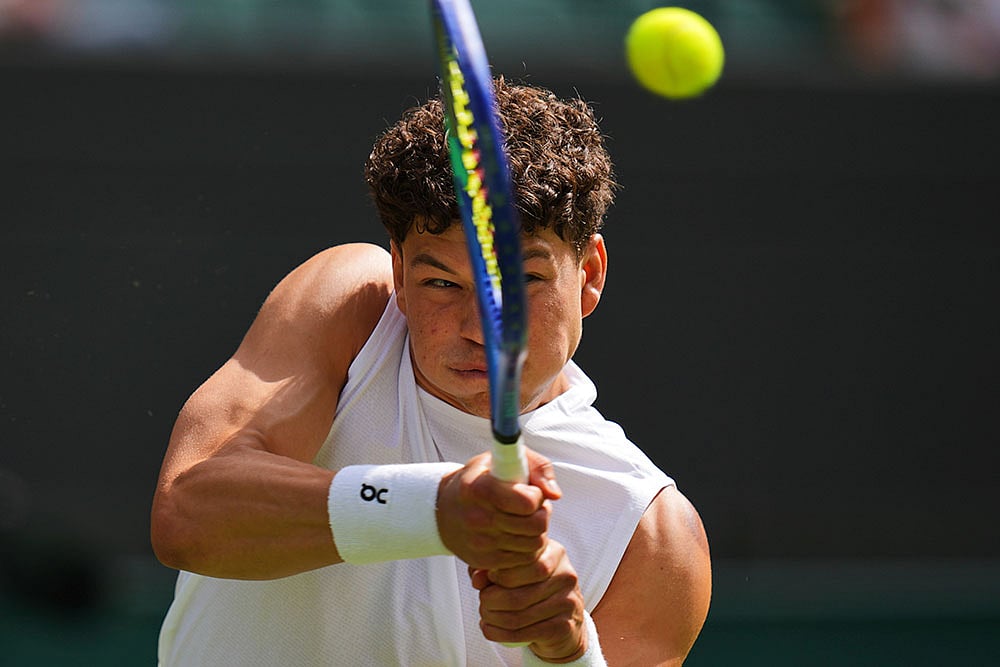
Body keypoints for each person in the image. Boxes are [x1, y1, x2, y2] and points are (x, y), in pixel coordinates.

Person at [151, 78, 711, 666]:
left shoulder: (648, 533)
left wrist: (567, 652)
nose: (482, 327)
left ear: (590, 273)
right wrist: (435, 508)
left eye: (523, 283)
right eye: (442, 284)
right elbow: (188, 512)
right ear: (397, 272)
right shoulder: (353, 307)